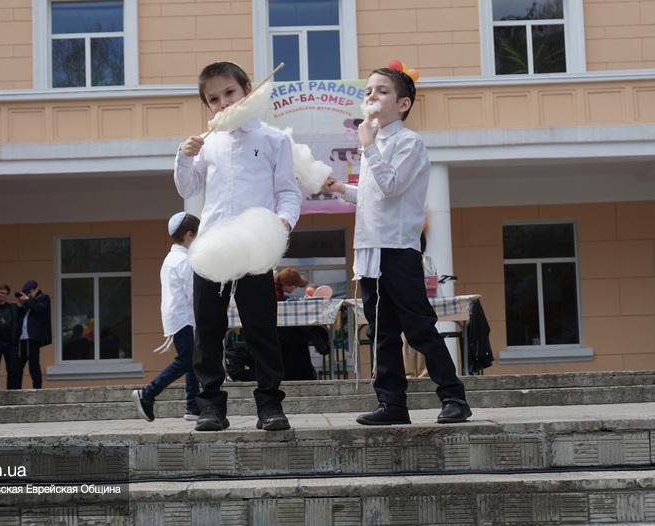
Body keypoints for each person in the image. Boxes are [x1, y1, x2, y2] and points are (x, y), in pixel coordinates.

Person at [322, 64, 470, 425]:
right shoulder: (375, 144)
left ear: (403, 104)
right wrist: (342, 189)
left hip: (398, 249)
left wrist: (368, 146)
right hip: (370, 250)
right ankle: (392, 404)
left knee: (418, 327)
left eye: (382, 90)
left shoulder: (408, 142)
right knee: (381, 331)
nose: (372, 95)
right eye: (368, 91)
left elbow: (391, 186)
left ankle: (454, 397)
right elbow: (374, 195)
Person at [175, 61, 302, 432]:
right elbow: (187, 188)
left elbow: (289, 192)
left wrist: (282, 223)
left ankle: (270, 405)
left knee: (261, 328)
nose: (223, 103)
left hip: (253, 245)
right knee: (208, 329)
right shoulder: (208, 143)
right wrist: (184, 155)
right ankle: (210, 406)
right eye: (214, 99)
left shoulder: (273, 139)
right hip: (212, 246)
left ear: (248, 89)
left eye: (229, 92)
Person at [132, 212, 201, 422]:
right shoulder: (184, 261)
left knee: (191, 360)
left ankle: (193, 407)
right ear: (189, 235)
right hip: (184, 317)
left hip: (177, 317)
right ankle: (148, 393)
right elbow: (193, 293)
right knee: (186, 360)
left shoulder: (172, 258)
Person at [274, 268, 320, 381]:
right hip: (277, 333)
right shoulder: (275, 293)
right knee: (299, 340)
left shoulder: (278, 291)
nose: (295, 289)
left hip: (279, 332)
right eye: (295, 286)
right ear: (286, 285)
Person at [15, 279, 52, 388]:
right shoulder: (29, 303)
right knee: (18, 366)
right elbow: (19, 317)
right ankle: (16, 389)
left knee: (33, 365)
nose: (28, 295)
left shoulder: (43, 298)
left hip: (33, 338)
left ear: (36, 290)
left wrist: (27, 300)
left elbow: (39, 309)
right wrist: (20, 305)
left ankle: (37, 389)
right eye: (26, 293)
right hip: (22, 338)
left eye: (29, 292)